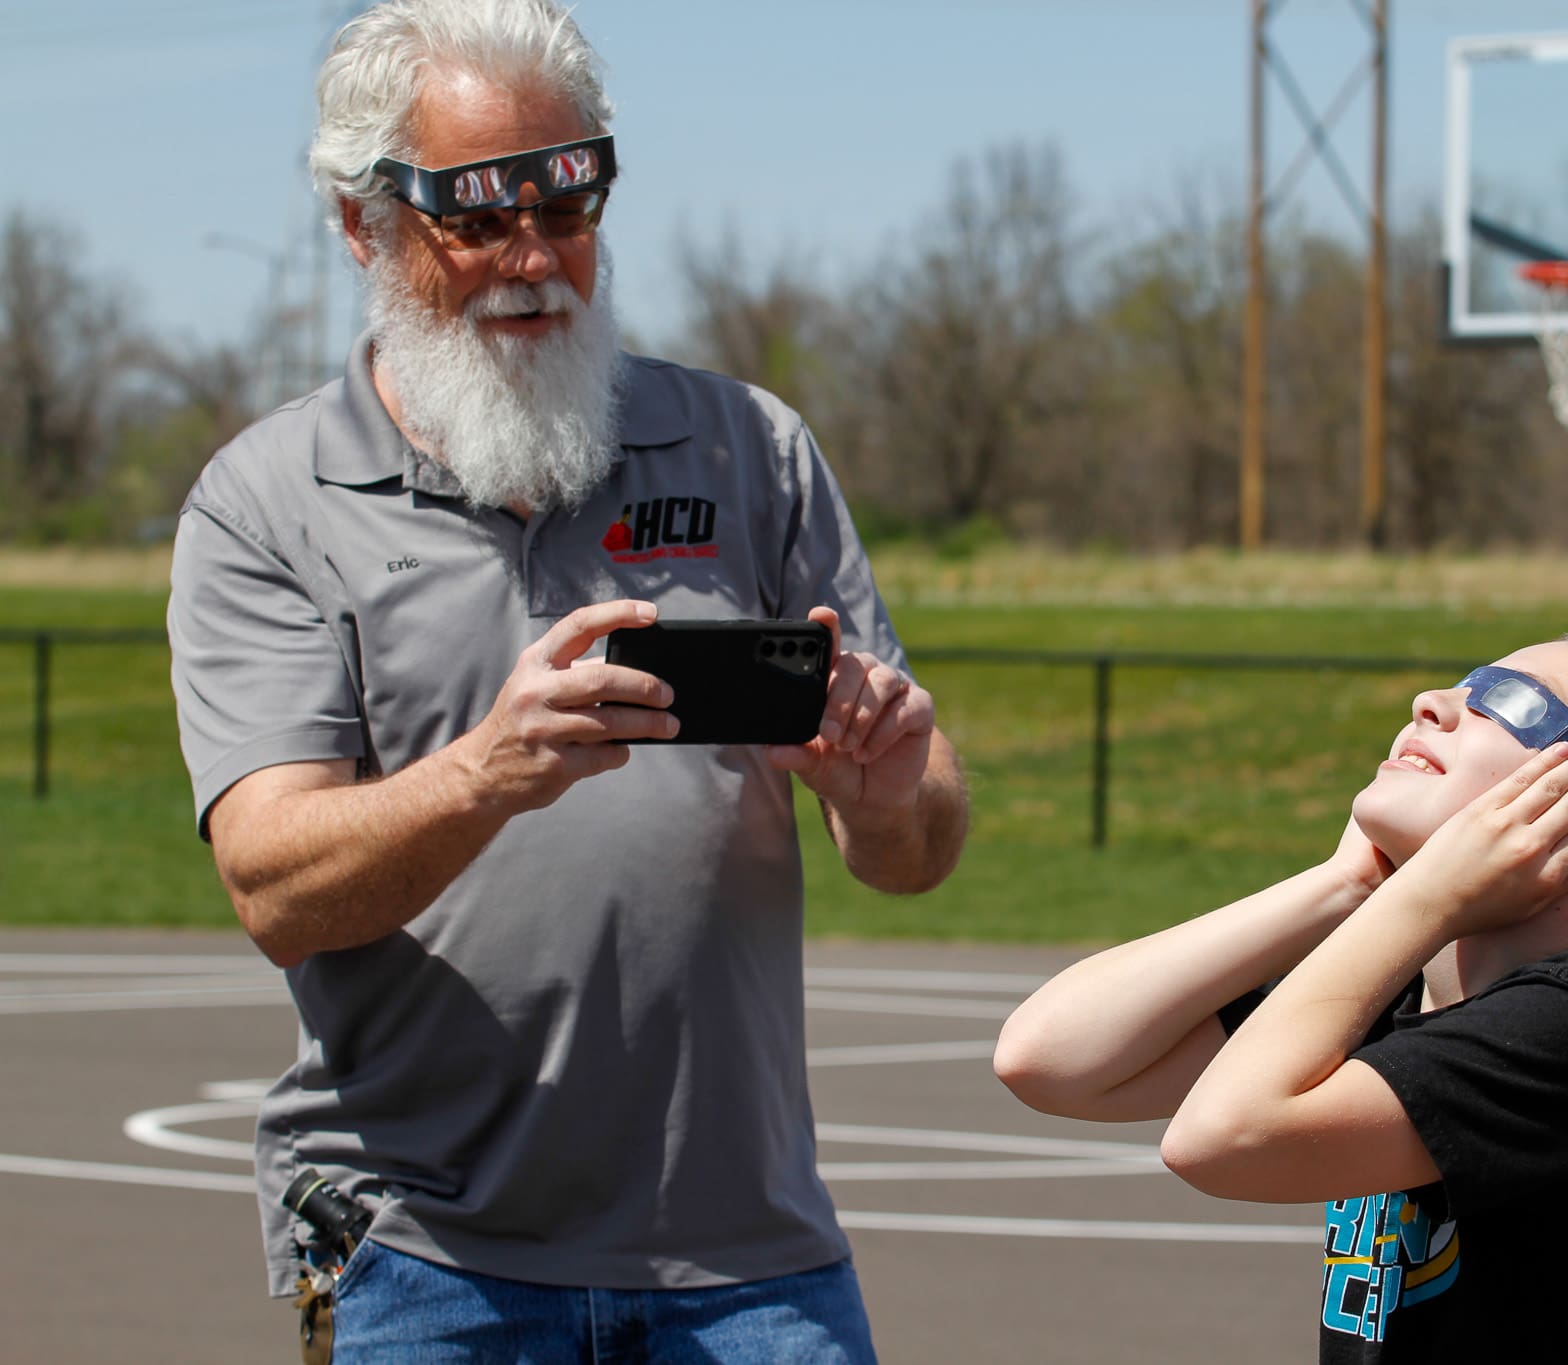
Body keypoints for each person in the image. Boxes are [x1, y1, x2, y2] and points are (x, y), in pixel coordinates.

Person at [165, 2, 968, 1359]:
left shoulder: (749, 449)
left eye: (568, 201)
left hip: (750, 1259)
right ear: (363, 225)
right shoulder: (269, 503)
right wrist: (485, 775)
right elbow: (275, 889)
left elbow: (917, 851)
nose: (534, 257)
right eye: (476, 218)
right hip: (426, 1259)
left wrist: (886, 795)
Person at [995, 634, 1568, 1363]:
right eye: (1463, 681)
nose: (1432, 702)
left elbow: (1218, 1137)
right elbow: (1048, 1058)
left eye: (1510, 702)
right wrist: (1343, 884)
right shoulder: (1401, 994)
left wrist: (1421, 898)